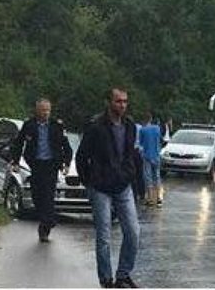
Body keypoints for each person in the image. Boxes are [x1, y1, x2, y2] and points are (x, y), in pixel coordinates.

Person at [76, 88, 140, 288]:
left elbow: (131, 154)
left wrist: (132, 176)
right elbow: (81, 156)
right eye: (118, 101)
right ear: (109, 102)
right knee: (104, 236)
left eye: (125, 101)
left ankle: (123, 274)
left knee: (133, 232)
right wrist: (89, 182)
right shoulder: (96, 126)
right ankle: (106, 279)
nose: (122, 105)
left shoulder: (130, 126)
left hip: (123, 185)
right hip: (100, 186)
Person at [10, 98, 72, 242]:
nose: (46, 113)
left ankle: (46, 225)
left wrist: (66, 164)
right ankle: (48, 219)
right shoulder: (29, 125)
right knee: (37, 196)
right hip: (36, 164)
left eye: (48, 110)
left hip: (52, 164)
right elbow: (18, 144)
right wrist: (15, 161)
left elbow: (66, 146)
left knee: (48, 195)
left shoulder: (57, 126)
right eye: (43, 110)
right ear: (37, 110)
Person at [139, 112, 163, 207]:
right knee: (157, 176)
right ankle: (158, 198)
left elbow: (140, 144)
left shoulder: (143, 130)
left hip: (147, 155)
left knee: (148, 177)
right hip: (156, 155)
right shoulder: (157, 128)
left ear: (143, 120)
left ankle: (150, 199)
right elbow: (159, 140)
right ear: (151, 119)